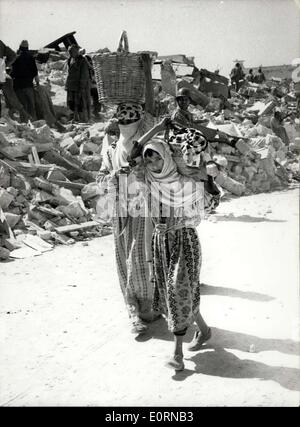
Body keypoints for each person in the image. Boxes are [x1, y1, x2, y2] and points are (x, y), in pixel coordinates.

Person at [130, 137, 211, 371]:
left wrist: (176, 223)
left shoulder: (185, 182)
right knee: (174, 293)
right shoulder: (147, 181)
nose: (153, 161)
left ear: (166, 157)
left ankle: (177, 354)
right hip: (161, 243)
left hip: (184, 241)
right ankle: (204, 331)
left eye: (157, 156)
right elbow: (132, 156)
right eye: (149, 157)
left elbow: (198, 214)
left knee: (178, 292)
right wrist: (154, 131)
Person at [97, 53, 163, 335]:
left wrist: (139, 171)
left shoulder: (147, 141)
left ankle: (146, 306)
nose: (126, 125)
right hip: (120, 207)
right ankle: (133, 311)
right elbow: (101, 175)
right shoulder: (111, 144)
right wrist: (113, 177)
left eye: (131, 121)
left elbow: (158, 170)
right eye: (122, 121)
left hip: (143, 205)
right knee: (123, 255)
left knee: (141, 254)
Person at [10, 40, 39, 122]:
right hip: (29, 85)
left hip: (18, 86)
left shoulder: (16, 58)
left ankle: (25, 123)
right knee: (31, 105)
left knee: (23, 106)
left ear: (20, 47)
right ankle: (34, 122)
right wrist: (37, 83)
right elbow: (35, 72)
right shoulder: (31, 58)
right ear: (27, 48)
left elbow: (11, 72)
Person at [65, 44, 91, 122]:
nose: (70, 53)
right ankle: (74, 117)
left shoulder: (82, 60)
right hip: (71, 85)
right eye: (69, 51)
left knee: (80, 103)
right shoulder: (70, 59)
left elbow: (84, 74)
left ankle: (83, 118)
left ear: (76, 51)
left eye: (72, 51)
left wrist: (82, 86)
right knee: (71, 102)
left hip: (79, 85)